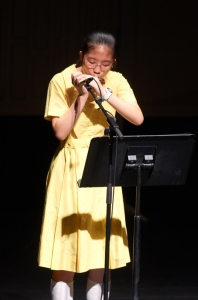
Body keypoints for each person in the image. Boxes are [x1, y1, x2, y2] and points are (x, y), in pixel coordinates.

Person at [38, 30, 144, 300]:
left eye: (105, 64)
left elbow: (137, 118)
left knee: (100, 248)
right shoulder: (61, 80)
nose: (97, 68)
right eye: (91, 62)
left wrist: (105, 93)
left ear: (113, 63)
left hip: (103, 164)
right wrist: (82, 95)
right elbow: (61, 132)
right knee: (65, 248)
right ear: (81, 56)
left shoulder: (116, 81)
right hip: (70, 165)